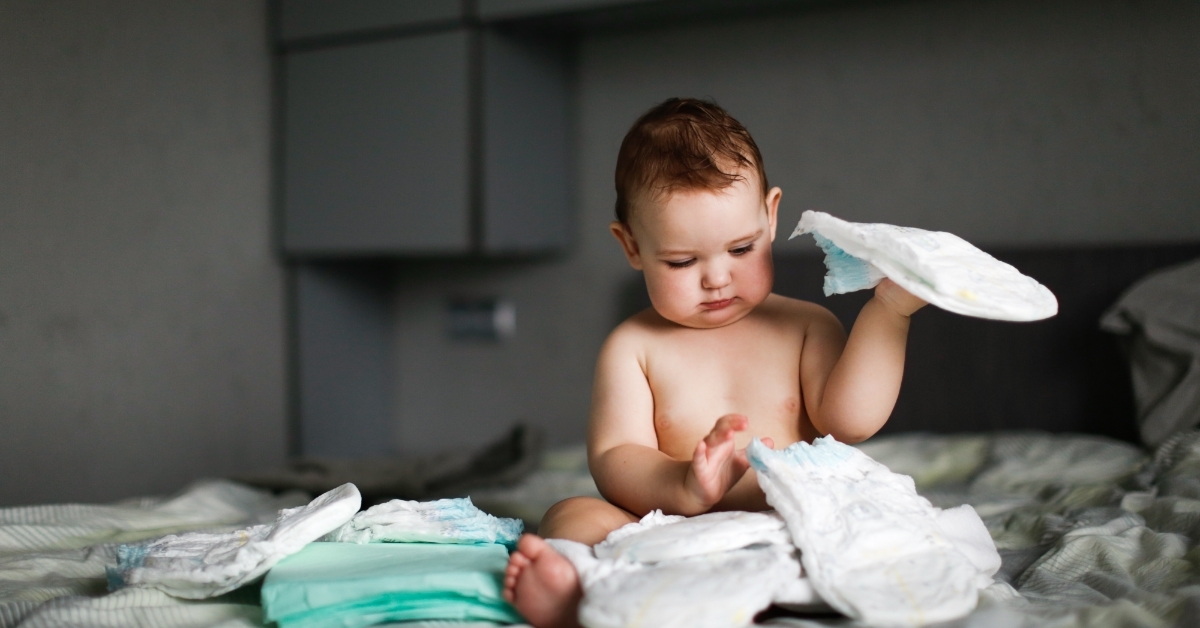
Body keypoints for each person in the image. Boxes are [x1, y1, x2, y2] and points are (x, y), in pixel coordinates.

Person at [502, 98, 927, 628]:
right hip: (666, 530)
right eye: (682, 261)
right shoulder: (633, 346)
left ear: (770, 216)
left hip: (787, 524)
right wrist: (686, 483)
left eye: (741, 249)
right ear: (631, 245)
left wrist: (888, 314)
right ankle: (582, 596)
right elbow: (615, 457)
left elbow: (852, 420)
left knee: (878, 514)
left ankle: (773, 591)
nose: (717, 278)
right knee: (571, 515)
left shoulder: (806, 326)